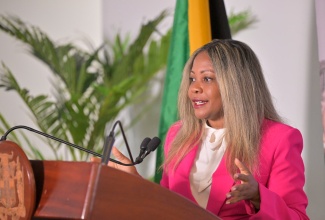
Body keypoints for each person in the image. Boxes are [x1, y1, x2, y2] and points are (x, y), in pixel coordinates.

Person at [100, 39, 309, 219]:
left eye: (207, 78)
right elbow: (164, 208)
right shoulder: (179, 135)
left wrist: (258, 197)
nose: (194, 88)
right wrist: (133, 181)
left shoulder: (279, 139)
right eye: (192, 79)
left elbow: (298, 218)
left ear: (235, 85)